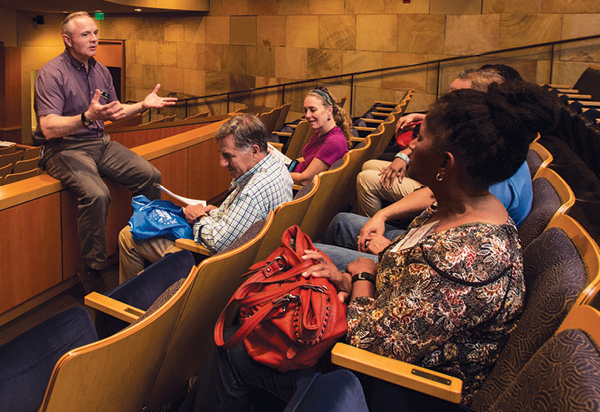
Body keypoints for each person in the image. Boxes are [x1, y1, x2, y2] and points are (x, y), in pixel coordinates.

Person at [182, 81, 557, 412]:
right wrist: (345, 281)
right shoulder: (452, 208)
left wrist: (358, 278)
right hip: (388, 337)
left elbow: (368, 343)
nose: (407, 146)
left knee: (234, 351)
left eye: (420, 138)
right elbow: (404, 283)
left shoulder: (467, 256)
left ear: (446, 163)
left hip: (400, 389)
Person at [34, 11, 177, 293]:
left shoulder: (100, 71)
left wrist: (142, 106)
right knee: (98, 194)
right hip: (63, 148)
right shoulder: (51, 73)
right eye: (85, 34)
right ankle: (92, 269)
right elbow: (48, 127)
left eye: (96, 33)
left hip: (99, 143)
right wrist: (86, 117)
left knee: (151, 175)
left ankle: (146, 243)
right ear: (67, 40)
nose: (94, 39)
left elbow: (115, 112)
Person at [118, 113, 293, 282]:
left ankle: (128, 303)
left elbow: (217, 244)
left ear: (254, 150)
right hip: (258, 257)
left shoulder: (253, 192)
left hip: (217, 272)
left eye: (228, 156)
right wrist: (216, 213)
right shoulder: (276, 166)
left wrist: (200, 217)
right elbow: (244, 217)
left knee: (129, 236)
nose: (222, 163)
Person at [356, 68, 523, 218]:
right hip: (433, 216)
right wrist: (404, 154)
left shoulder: (490, 159)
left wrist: (383, 218)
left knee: (364, 183)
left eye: (456, 95)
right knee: (368, 166)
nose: (447, 100)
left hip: (432, 220)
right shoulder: (481, 135)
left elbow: (435, 197)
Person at [289, 86, 352, 186]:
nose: (307, 115)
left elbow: (305, 179)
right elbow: (310, 159)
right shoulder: (320, 132)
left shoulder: (334, 141)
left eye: (313, 110)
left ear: (329, 111)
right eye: (305, 110)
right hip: (292, 172)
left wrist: (277, 174)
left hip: (294, 185)